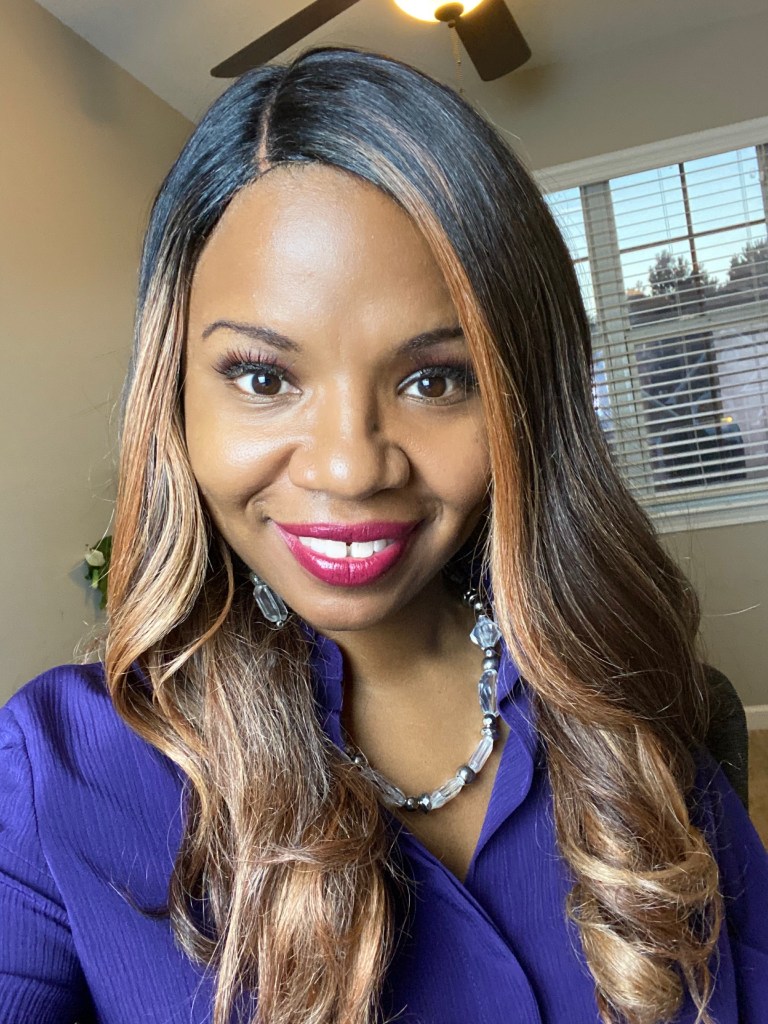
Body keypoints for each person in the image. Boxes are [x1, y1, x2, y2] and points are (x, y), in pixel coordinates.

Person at [1, 45, 766, 1024]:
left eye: (434, 380)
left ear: (519, 404)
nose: (352, 466)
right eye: (265, 377)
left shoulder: (620, 702)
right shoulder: (59, 774)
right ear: (175, 395)